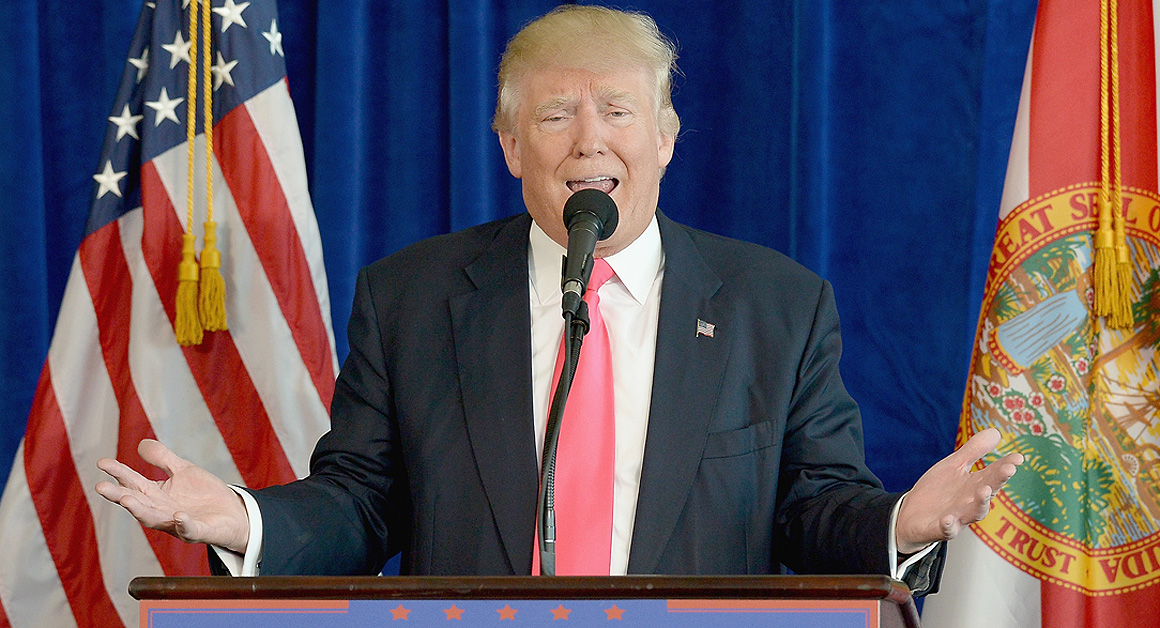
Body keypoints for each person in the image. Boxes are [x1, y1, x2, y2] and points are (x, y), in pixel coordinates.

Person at [95, 4, 1022, 594]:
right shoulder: (413, 298)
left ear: (665, 138)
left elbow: (815, 508)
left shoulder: (775, 307)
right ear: (508, 146)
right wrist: (247, 521)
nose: (590, 143)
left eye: (619, 112)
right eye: (553, 115)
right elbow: (361, 504)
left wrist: (899, 522)